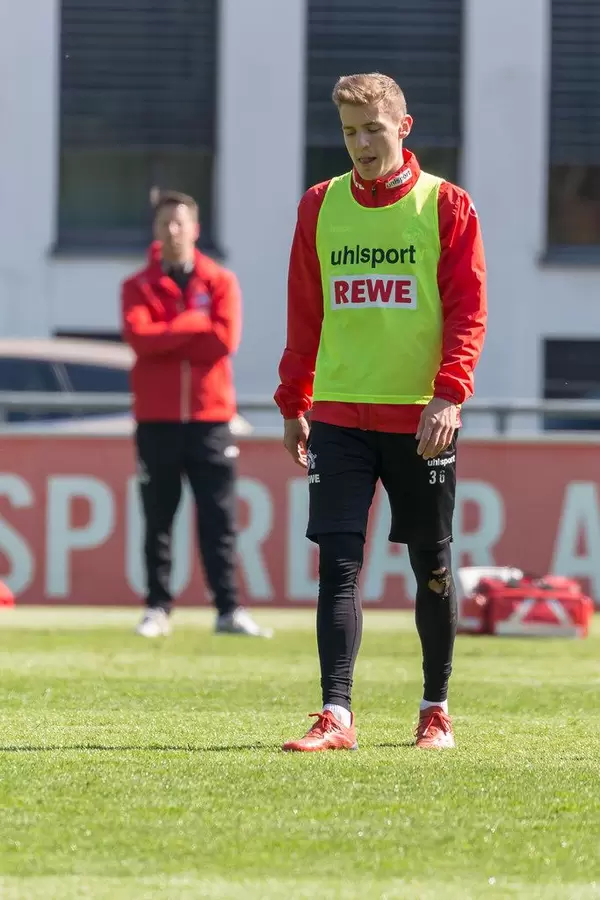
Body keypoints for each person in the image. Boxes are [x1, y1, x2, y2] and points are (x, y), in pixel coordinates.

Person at [274, 73, 487, 751]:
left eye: (372, 129)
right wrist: (294, 400)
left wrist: (450, 393)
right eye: (348, 132)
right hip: (338, 416)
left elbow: (467, 311)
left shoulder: (445, 205)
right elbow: (305, 312)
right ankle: (336, 714)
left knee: (432, 563)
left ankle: (435, 710)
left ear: (403, 127)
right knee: (338, 562)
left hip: (421, 420)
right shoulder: (320, 204)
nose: (360, 144)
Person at [121, 190, 272, 639]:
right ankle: (157, 607)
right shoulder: (137, 285)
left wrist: (168, 332)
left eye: (179, 223)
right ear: (155, 229)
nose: (172, 231)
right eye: (164, 223)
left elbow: (223, 342)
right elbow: (139, 339)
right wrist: (191, 325)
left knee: (219, 519)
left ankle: (228, 609)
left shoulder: (220, 281)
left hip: (210, 418)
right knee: (158, 518)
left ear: (195, 228)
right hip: (157, 419)